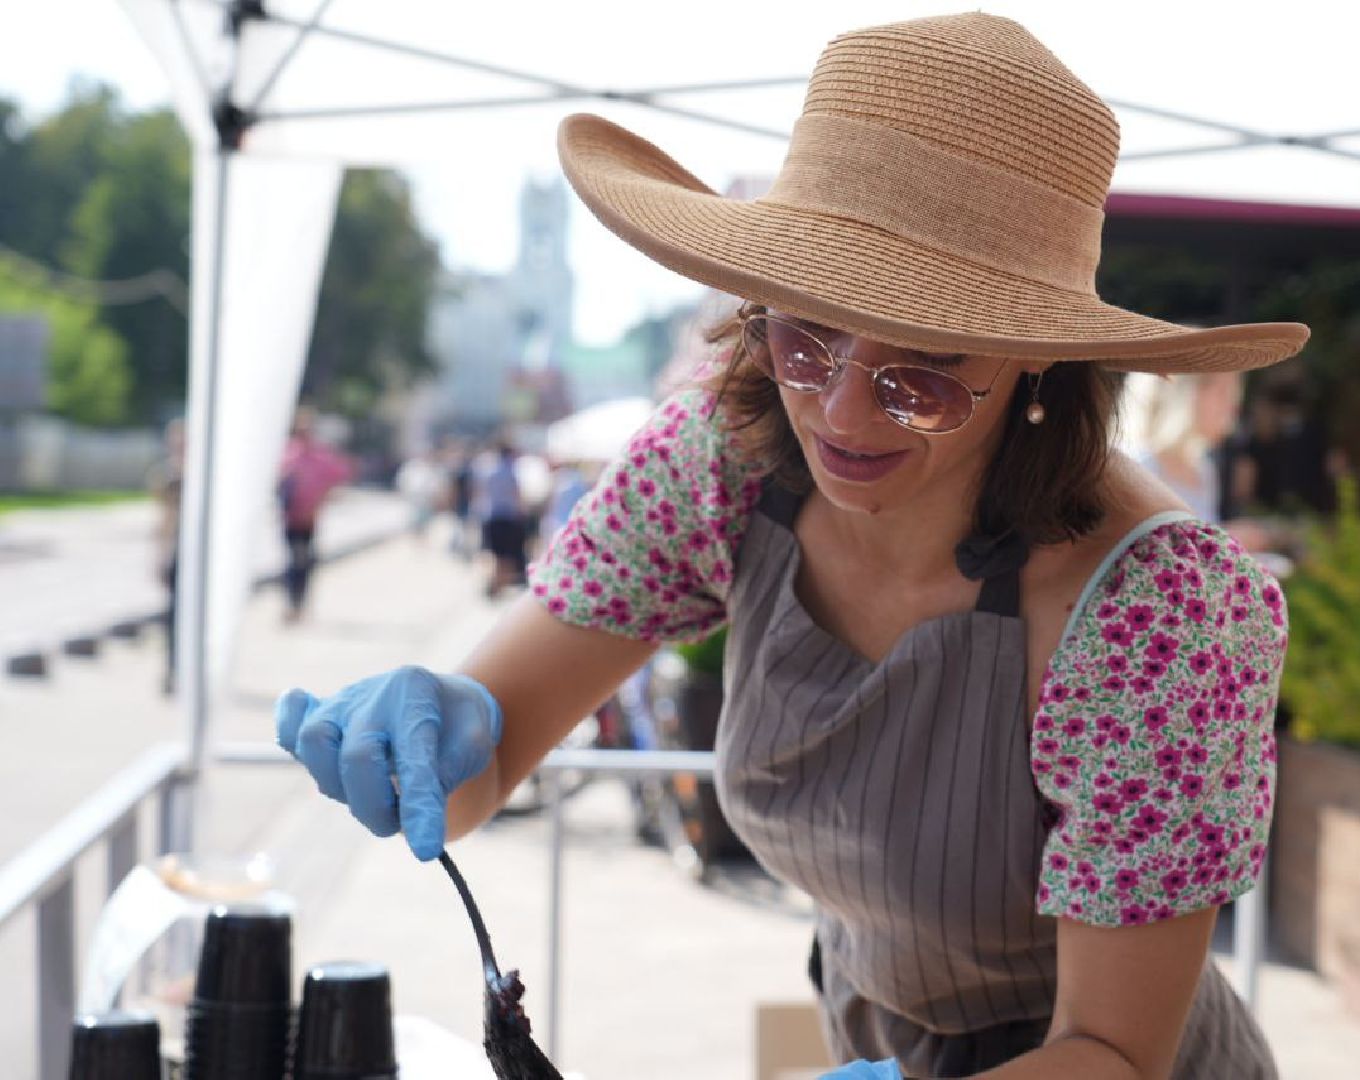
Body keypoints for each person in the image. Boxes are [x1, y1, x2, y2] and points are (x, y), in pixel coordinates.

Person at [274, 15, 1308, 1078]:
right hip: (875, 1034)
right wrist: (437, 735)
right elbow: (482, 770)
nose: (845, 415)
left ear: (1038, 359)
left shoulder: (1161, 611)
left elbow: (1113, 1052)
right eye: (808, 337)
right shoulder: (720, 461)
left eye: (927, 373)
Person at [1119, 371, 1271, 555]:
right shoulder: (1137, 467)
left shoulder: (1204, 469)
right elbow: (1137, 556)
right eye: (1222, 392)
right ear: (1183, 393)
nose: (1232, 406)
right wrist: (1226, 539)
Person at [276, 408, 353, 623]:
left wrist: (321, 501)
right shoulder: (287, 453)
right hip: (290, 517)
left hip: (310, 519)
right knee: (293, 561)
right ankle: (291, 603)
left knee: (305, 562)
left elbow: (339, 478)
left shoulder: (321, 456)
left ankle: (299, 603)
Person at [148, 417, 186, 695]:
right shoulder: (168, 475)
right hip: (178, 549)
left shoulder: (209, 474)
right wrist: (159, 554)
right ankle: (173, 669)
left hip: (202, 557)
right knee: (173, 615)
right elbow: (164, 518)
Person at [472, 440, 529, 598]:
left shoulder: (488, 470)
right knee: (507, 554)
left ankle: (494, 582)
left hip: (490, 515)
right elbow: (516, 494)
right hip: (507, 517)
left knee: (494, 552)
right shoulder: (509, 471)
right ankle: (499, 583)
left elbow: (480, 493)